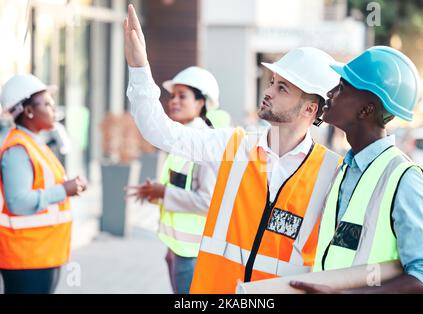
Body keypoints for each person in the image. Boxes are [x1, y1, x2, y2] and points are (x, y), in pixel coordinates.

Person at [124, 5, 342, 294]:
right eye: (272, 83)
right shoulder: (235, 145)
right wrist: (140, 68)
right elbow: (160, 131)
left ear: (310, 108)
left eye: (282, 89)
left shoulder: (332, 172)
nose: (268, 92)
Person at [290, 46, 423, 294]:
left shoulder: (405, 179)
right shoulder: (343, 170)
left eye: (341, 88)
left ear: (366, 110)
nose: (329, 93)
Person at [126, 66, 224, 294]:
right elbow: (181, 186)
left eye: (183, 96)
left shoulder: (205, 145)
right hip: (177, 248)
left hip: (193, 253)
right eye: (172, 96)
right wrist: (155, 193)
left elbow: (208, 201)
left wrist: (163, 192)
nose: (174, 101)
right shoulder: (182, 140)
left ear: (201, 103)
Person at [0, 74, 87, 294]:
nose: (53, 109)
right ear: (28, 111)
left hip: (42, 253)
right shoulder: (18, 149)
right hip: (26, 258)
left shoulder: (35, 143)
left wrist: (69, 187)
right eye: (47, 103)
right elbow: (18, 203)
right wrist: (63, 190)